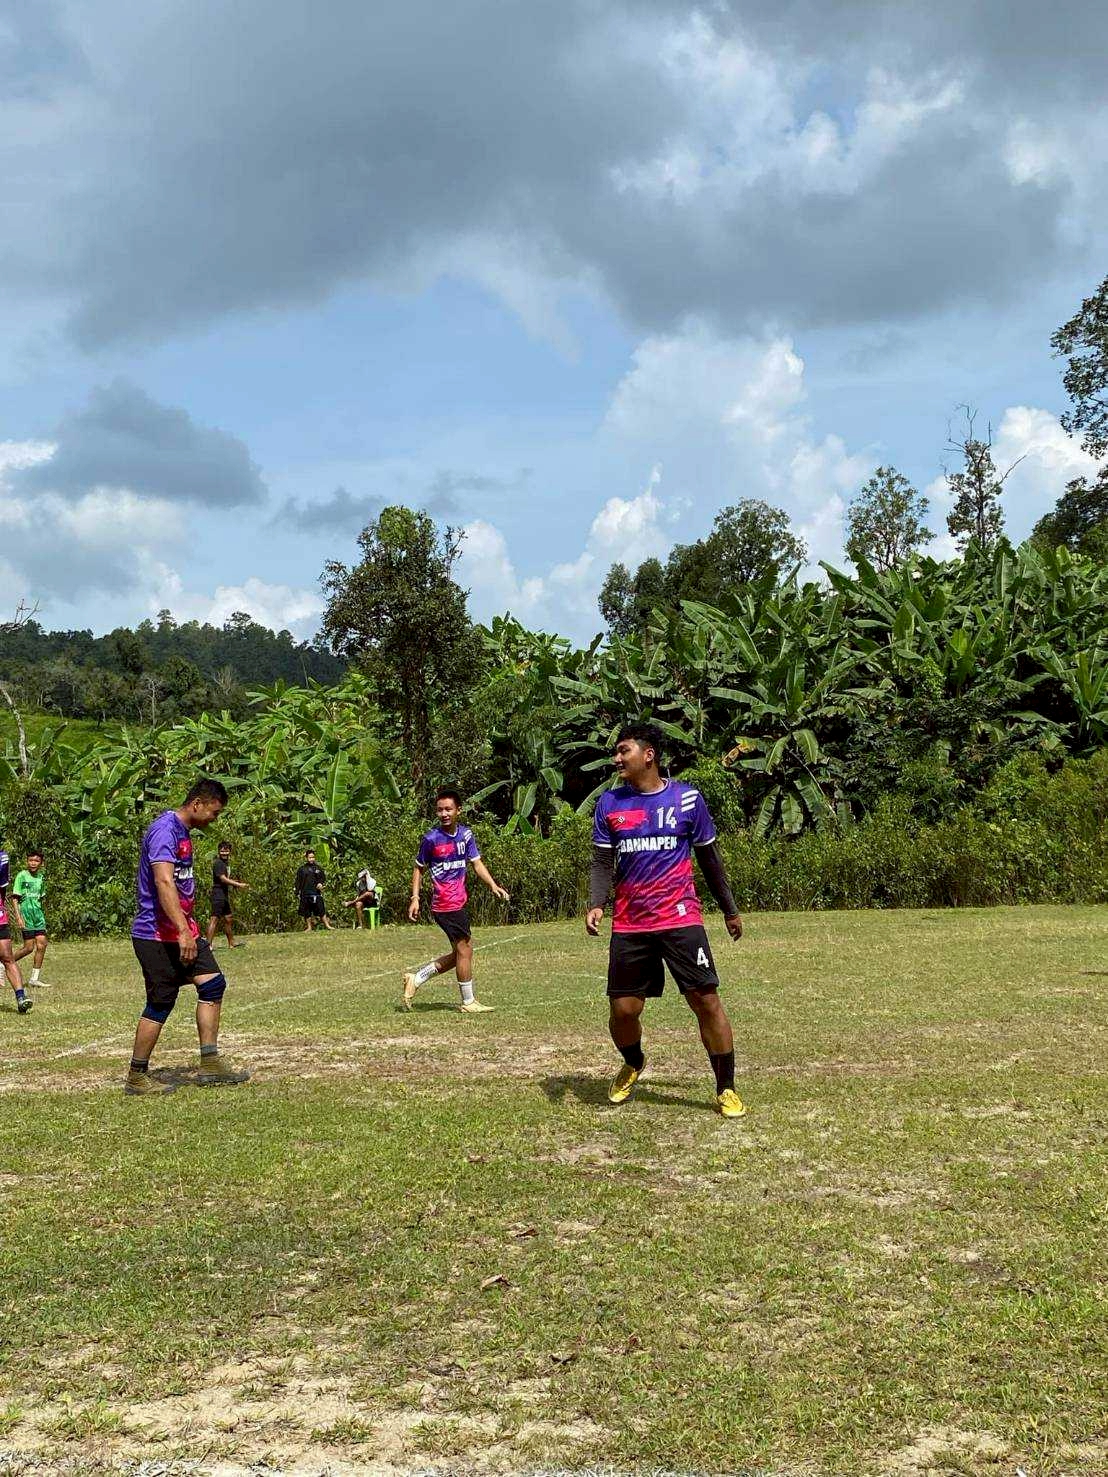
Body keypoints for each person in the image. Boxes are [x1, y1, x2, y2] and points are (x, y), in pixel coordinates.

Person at [586, 722, 747, 1118]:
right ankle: (633, 1062)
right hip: (630, 923)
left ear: (648, 755)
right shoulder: (609, 803)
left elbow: (710, 860)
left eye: (623, 750)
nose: (617, 758)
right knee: (624, 1011)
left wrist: (729, 909)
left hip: (680, 918)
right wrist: (596, 903)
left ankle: (725, 1087)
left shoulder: (688, 799)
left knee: (706, 1001)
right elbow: (602, 861)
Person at [125, 778, 248, 1095]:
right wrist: (182, 932)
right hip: (156, 934)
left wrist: (188, 928)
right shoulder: (165, 830)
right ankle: (137, 1076)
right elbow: (164, 882)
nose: (214, 819)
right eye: (214, 812)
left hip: (183, 930)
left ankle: (210, 1063)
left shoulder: (183, 832)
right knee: (160, 1002)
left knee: (213, 984)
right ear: (197, 804)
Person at [403, 786, 510, 1012]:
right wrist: (415, 898)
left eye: (448, 809)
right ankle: (468, 1002)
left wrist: (493, 885)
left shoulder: (466, 835)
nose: (444, 814)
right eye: (440, 810)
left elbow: (476, 863)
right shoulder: (431, 839)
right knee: (464, 950)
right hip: (445, 904)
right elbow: (418, 868)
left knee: (461, 952)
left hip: (458, 902)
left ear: (458, 810)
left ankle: (416, 978)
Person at [0, 848, 30, 1014]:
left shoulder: (2, 858)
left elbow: (3, 887)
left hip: (0, 918)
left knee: (7, 958)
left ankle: (21, 998)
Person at [13, 849, 49, 988]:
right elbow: (15, 898)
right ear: (27, 861)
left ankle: (34, 978)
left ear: (41, 863)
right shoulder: (22, 876)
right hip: (26, 915)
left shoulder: (41, 878)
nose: (33, 863)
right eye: (31, 860)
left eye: (36, 861)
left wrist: (41, 913)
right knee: (28, 948)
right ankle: (5, 963)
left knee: (42, 944)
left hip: (38, 915)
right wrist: (18, 917)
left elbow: (41, 897)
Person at [205, 840, 249, 948]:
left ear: (229, 851)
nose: (224, 853)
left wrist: (234, 883)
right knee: (214, 919)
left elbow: (225, 879)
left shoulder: (225, 864)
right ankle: (208, 945)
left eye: (226, 851)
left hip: (224, 894)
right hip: (218, 894)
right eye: (222, 851)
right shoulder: (218, 863)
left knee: (228, 918)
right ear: (219, 851)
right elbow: (223, 879)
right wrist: (238, 885)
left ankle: (231, 943)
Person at [295, 849, 332, 930]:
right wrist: (297, 892)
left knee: (321, 909)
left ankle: (327, 925)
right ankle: (309, 927)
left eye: (313, 857)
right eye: (310, 857)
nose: (312, 859)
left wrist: (320, 883)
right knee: (307, 911)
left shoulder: (318, 868)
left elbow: (323, 878)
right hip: (305, 893)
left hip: (316, 893)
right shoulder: (302, 869)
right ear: (306, 858)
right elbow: (298, 881)